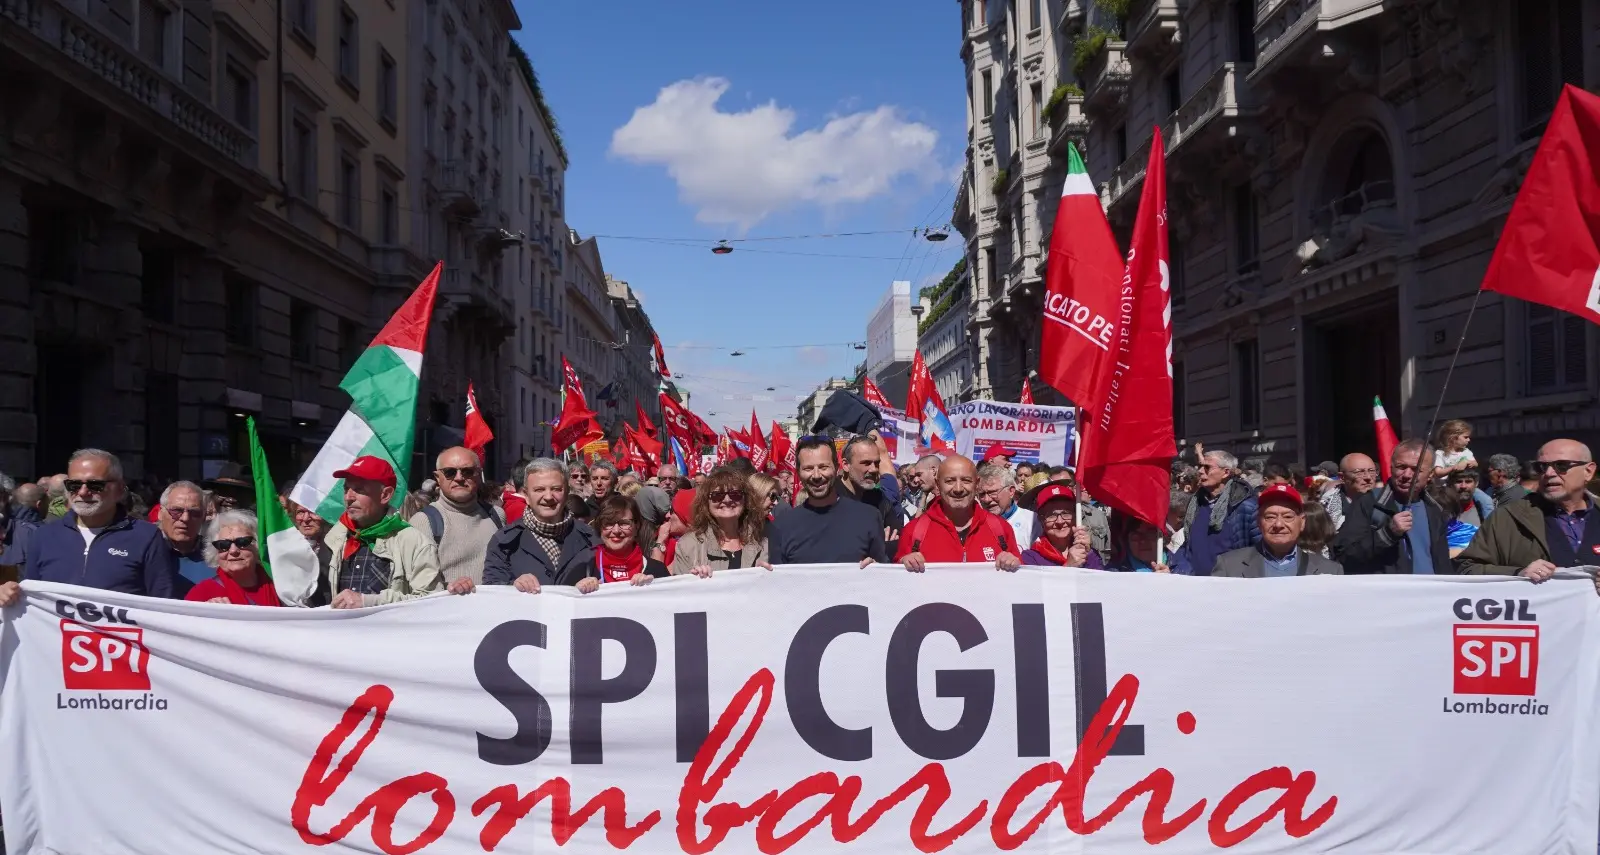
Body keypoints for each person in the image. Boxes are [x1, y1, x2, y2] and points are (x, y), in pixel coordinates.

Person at [0, 449, 176, 606]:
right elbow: (28, 598)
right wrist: (7, 592)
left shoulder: (146, 537)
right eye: (74, 485)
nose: (83, 492)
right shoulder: (43, 536)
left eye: (95, 485)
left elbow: (162, 606)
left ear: (120, 489)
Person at [1458, 439, 1598, 578]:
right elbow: (1466, 569)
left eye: (1561, 465)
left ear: (1588, 471)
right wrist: (1518, 574)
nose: (1549, 473)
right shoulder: (1507, 517)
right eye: (1541, 467)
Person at [323, 456, 444, 608]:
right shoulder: (333, 539)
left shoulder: (414, 542)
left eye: (359, 490)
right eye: (346, 489)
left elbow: (432, 601)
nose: (348, 497)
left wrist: (369, 602)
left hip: (389, 631)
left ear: (385, 495)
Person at [1331, 439, 1452, 575]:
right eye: (1401, 467)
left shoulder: (1435, 509)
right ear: (1391, 468)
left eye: (1416, 469)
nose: (1406, 475)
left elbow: (1443, 563)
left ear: (1430, 475)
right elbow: (1344, 556)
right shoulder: (1369, 503)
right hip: (1388, 594)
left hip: (1429, 594)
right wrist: (1388, 533)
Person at [768, 437, 887, 566]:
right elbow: (778, 582)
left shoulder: (869, 517)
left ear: (836, 468)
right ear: (798, 473)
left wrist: (876, 568)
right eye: (808, 469)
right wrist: (761, 575)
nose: (817, 475)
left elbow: (884, 575)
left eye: (823, 467)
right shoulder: (782, 525)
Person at [485, 458, 600, 591]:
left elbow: (612, 580)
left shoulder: (591, 538)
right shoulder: (504, 542)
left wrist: (597, 583)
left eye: (556, 489)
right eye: (539, 490)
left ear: (567, 492)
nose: (548, 497)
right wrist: (513, 586)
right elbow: (492, 593)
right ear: (526, 495)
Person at [896, 456, 1021, 572]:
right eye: (950, 481)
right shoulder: (913, 531)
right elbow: (895, 583)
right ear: (938, 484)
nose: (958, 489)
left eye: (966, 480)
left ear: (977, 484)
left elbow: (1021, 582)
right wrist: (903, 563)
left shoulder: (1001, 528)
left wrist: (1014, 563)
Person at [408, 447, 503, 594]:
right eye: (450, 472)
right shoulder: (423, 521)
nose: (459, 478)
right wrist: (450, 589)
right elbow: (420, 589)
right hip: (449, 613)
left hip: (495, 611)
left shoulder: (497, 515)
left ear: (478, 474)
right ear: (437, 478)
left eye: (467, 471)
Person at [1214, 485, 1342, 577]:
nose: (1279, 524)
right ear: (1259, 522)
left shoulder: (1330, 570)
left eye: (1288, 517)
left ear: (1302, 522)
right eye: (1270, 517)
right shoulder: (1228, 566)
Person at [671, 467, 769, 574]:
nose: (727, 500)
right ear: (706, 503)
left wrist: (765, 578)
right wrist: (693, 581)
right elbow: (680, 589)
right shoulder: (688, 545)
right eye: (717, 495)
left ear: (746, 501)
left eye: (735, 494)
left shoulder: (762, 543)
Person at [1182, 450, 1261, 576]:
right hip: (1195, 585)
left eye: (1207, 467)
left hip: (1232, 586)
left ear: (1226, 472)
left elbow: (1261, 551)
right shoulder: (1195, 504)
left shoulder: (1246, 507)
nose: (1201, 471)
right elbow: (1186, 547)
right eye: (1200, 467)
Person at [572, 494, 669, 591]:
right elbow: (564, 600)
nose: (616, 530)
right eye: (608, 523)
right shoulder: (583, 566)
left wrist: (652, 590)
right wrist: (576, 591)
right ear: (600, 527)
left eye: (624, 523)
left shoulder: (657, 570)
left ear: (637, 526)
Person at [185, 510, 280, 606]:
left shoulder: (280, 585)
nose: (233, 551)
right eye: (223, 545)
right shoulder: (202, 593)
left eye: (242, 542)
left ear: (257, 545)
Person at [836, 435, 903, 546]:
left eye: (876, 463)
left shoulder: (881, 500)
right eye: (866, 463)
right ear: (846, 465)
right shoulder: (829, 497)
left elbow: (897, 541)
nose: (873, 469)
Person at [1019, 482, 1101, 568]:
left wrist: (1089, 553)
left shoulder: (1086, 550)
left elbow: (1099, 579)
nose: (1060, 521)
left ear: (1075, 516)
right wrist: (1068, 566)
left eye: (1066, 513)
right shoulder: (1031, 557)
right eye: (1051, 515)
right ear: (1041, 519)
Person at [977, 463, 1035, 549]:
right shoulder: (973, 523)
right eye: (981, 494)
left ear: (1011, 491)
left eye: (993, 492)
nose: (987, 499)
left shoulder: (1032, 521)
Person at [1105, 515, 1188, 574]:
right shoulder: (1114, 573)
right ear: (1127, 540)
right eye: (1136, 536)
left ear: (1163, 538)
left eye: (1150, 534)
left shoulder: (1183, 568)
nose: (1143, 541)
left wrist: (1170, 583)